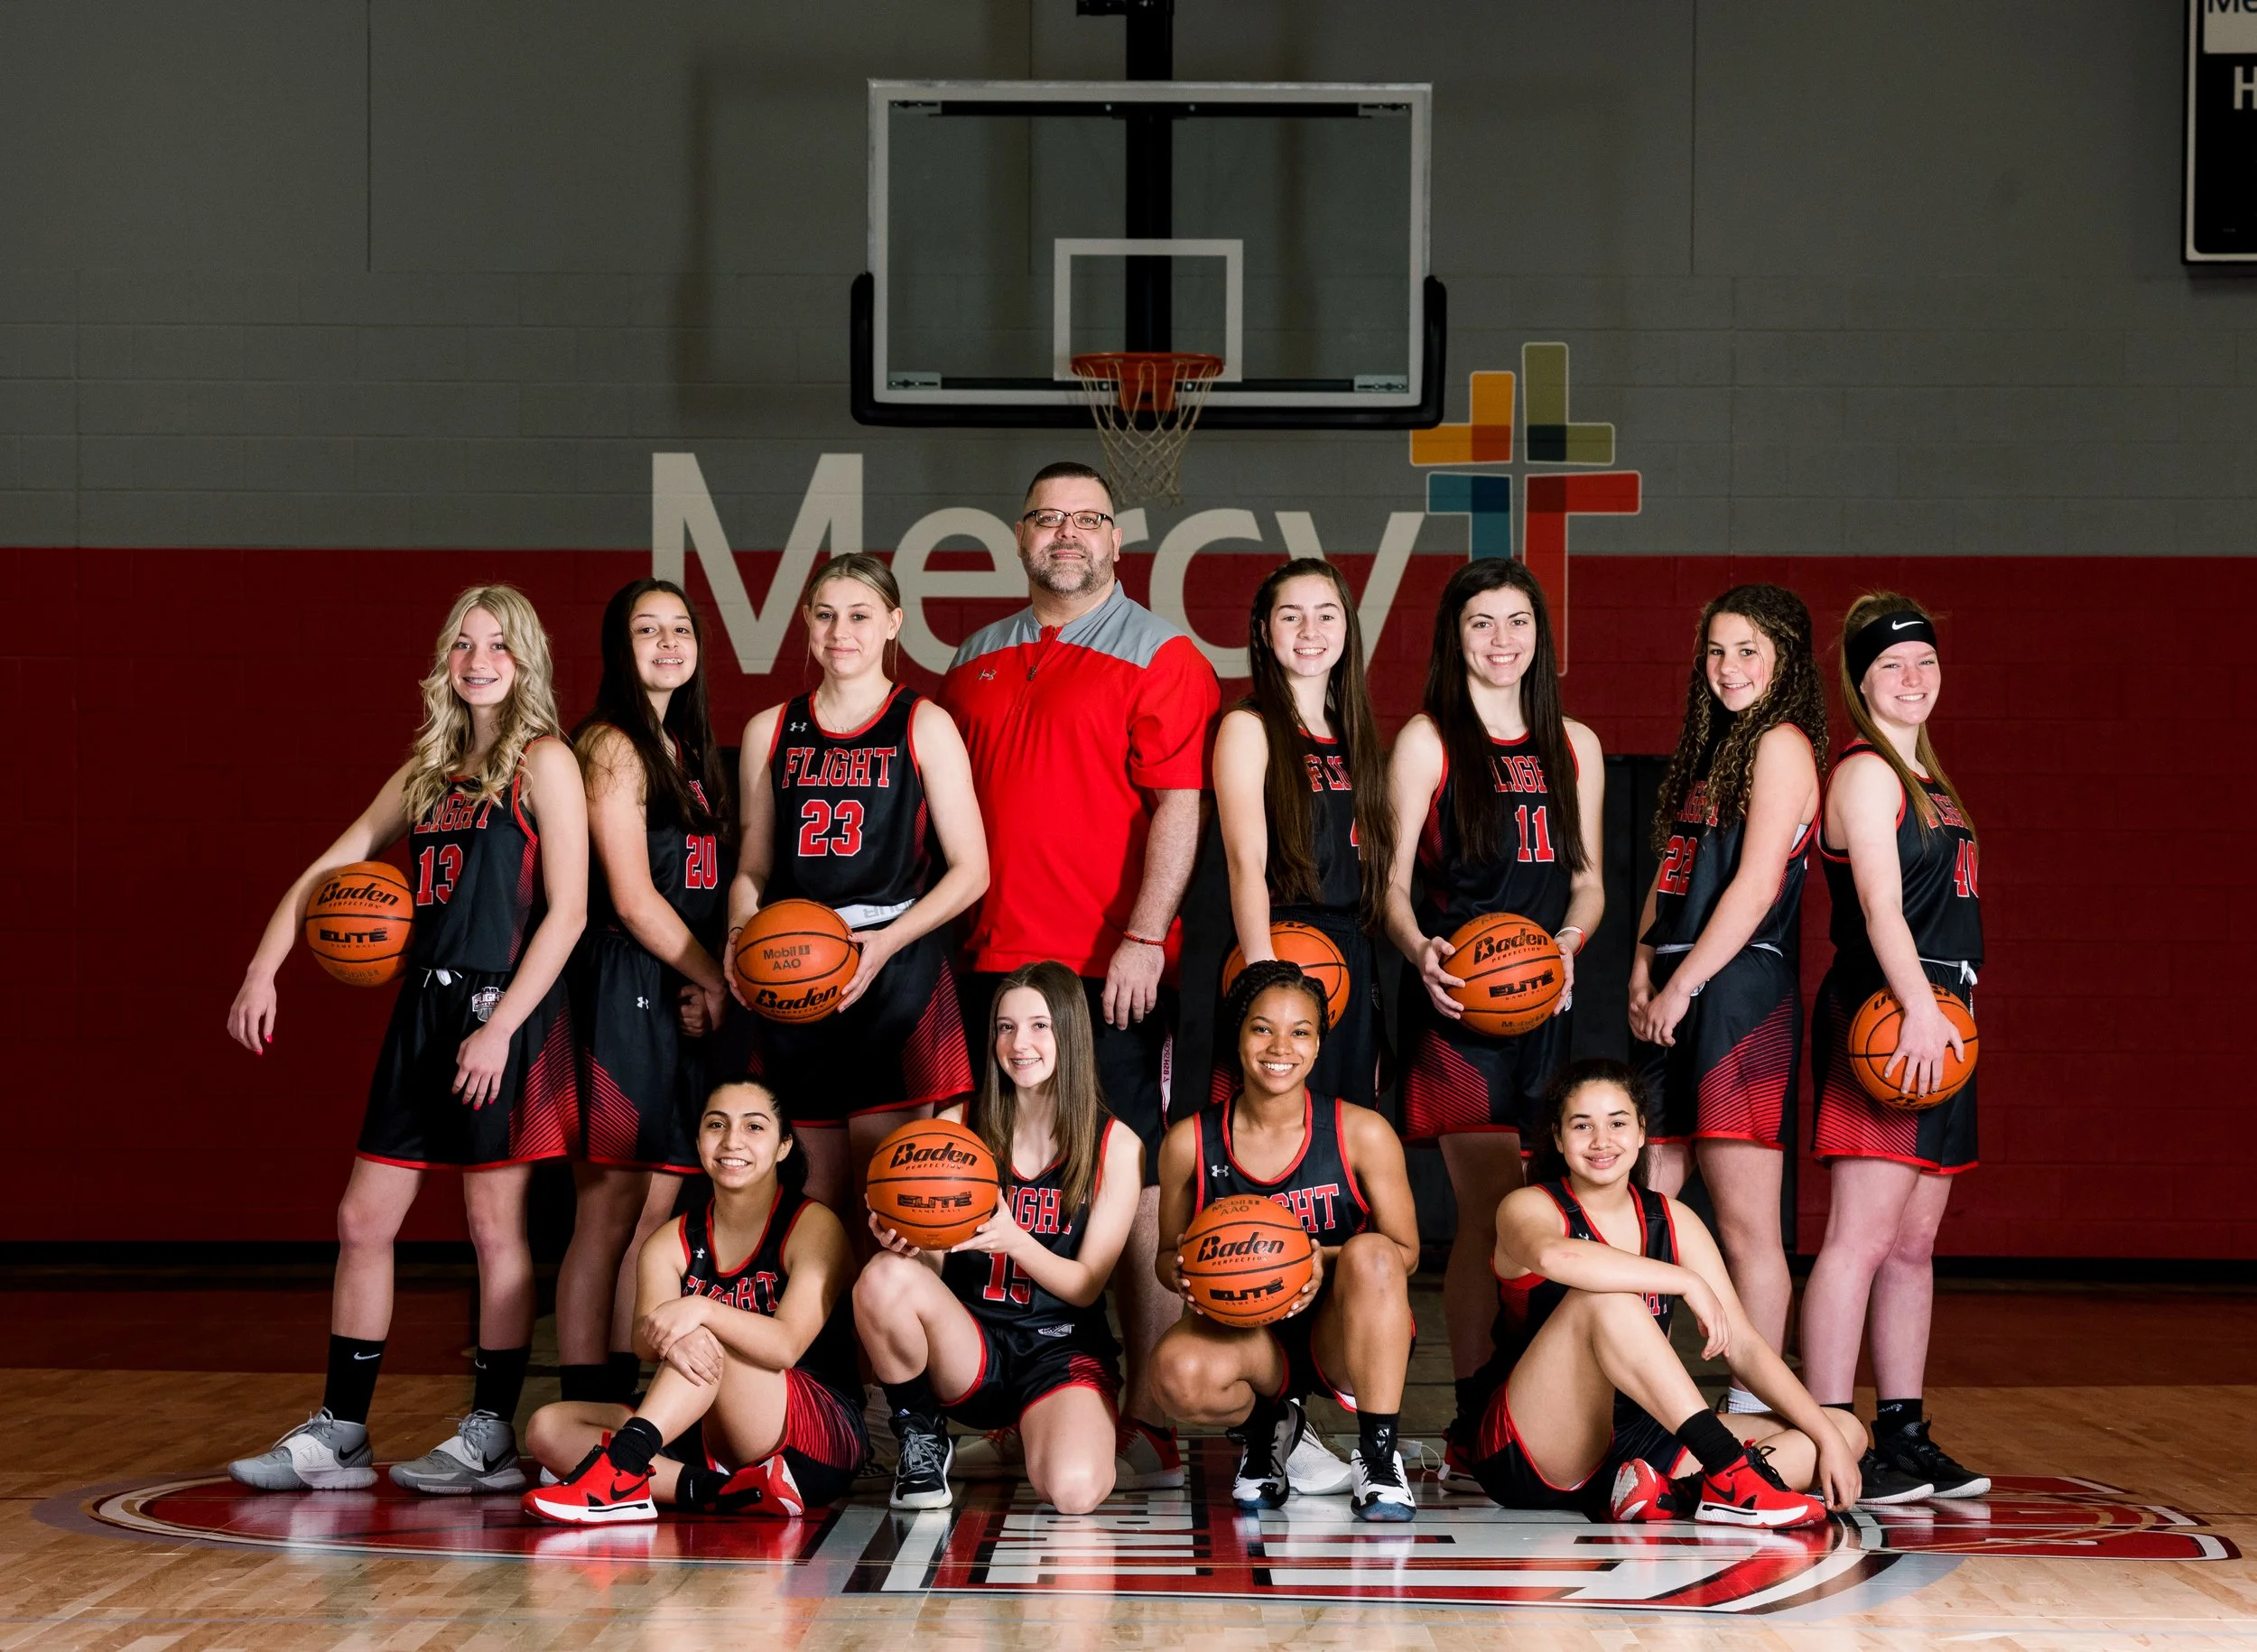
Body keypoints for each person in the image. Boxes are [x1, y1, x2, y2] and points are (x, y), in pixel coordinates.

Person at [224, 585, 585, 1494]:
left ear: (525, 658)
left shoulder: (545, 762)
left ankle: (492, 1432)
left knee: (492, 1226)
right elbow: (327, 870)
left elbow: (571, 910)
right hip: (421, 1012)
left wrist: (502, 1028)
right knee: (361, 1220)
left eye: (497, 645)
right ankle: (343, 1429)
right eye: (463, 644)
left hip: (501, 1013)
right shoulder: (424, 775)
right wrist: (267, 965)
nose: (478, 660)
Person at [941, 460, 1222, 1490]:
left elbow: (1180, 807)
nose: (1068, 534)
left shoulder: (1161, 654)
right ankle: (1008, 1392)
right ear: (1018, 536)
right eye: (1048, 518)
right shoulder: (972, 655)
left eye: (1088, 520)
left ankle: (1143, 1406)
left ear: (1117, 540)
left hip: (1105, 972)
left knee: (1129, 1182)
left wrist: (1146, 936)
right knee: (987, 1180)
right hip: (988, 964)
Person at [1382, 559, 1604, 1462]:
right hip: (1456, 1003)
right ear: (1454, 638)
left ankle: (1535, 1394)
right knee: (1488, 1212)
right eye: (1482, 623)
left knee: (1545, 1210)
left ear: (1540, 640)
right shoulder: (1426, 743)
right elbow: (1390, 889)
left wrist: (1570, 944)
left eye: (1518, 623)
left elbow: (1587, 883)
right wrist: (1419, 952)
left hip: (1543, 1001)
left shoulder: (1574, 745)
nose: (1502, 641)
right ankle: (1474, 1401)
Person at [1461, 1060, 1864, 1528]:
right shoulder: (1529, 1206)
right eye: (1582, 1125)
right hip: (1533, 1445)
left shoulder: (1672, 1219)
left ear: (1639, 1133)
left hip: (1640, 1440)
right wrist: (1685, 1281)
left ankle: (1667, 1495)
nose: (1601, 1141)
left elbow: (1745, 1345)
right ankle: (1732, 1477)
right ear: (1557, 1137)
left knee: (1841, 1431)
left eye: (1617, 1123)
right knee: (1605, 1299)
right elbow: (1554, 1258)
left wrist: (1826, 1436)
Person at [1798, 594, 1989, 1503]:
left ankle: (1903, 1429)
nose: (1912, 680)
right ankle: (1835, 1430)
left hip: (1937, 1016)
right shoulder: (1868, 774)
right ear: (1861, 682)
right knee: (1859, 1240)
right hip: (1886, 1013)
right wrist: (1918, 1007)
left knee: (1912, 1245)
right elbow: (1878, 908)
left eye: (1923, 662)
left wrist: (1939, 1013)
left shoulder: (1928, 778)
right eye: (1890, 668)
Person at [729, 552, 986, 1220]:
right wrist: (737, 936)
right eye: (825, 614)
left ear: (894, 624)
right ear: (807, 623)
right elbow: (753, 870)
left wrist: (884, 944)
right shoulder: (771, 728)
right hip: (794, 968)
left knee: (890, 1193)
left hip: (896, 966)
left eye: (860, 615)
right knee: (816, 1194)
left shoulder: (924, 723)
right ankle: (820, 1329)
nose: (841, 630)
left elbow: (972, 870)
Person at [853, 961, 1145, 1514]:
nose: (1019, 1043)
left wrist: (1015, 1239)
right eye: (1005, 1027)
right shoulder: (959, 1123)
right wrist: (911, 1245)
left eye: (1039, 1026)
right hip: (973, 1347)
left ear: (1069, 1033)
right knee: (884, 1277)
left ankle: (1030, 1432)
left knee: (1075, 1490)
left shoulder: (1115, 1145)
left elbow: (1085, 1288)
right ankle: (923, 1436)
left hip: (1060, 1348)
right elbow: (935, 1267)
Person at [1628, 584, 1824, 1405]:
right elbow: (1671, 876)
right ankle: (1635, 1390)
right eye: (1715, 650)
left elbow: (1752, 887)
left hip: (1738, 990)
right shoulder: (1715, 751)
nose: (1728, 666)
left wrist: (1682, 982)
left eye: (1748, 650)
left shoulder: (1780, 743)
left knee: (1746, 1225)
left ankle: (1753, 1405)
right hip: (1678, 979)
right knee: (1645, 1208)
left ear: (1784, 660)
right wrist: (1641, 963)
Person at [522, 1079, 867, 1523]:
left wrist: (701, 1310)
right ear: (699, 1140)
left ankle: (621, 1474)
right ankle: (724, 1492)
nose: (732, 1141)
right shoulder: (672, 1241)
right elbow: (646, 1342)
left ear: (783, 1146)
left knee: (709, 1339)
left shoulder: (814, 1226)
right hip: (709, 1428)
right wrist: (678, 1334)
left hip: (815, 1436)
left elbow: (786, 1346)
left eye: (754, 1127)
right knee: (549, 1428)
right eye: (716, 1124)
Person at [1151, 962, 1423, 1520]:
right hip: (1247, 1338)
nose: (1281, 1046)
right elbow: (1163, 1256)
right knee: (1176, 1375)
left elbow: (1407, 1252)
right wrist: (1181, 1269)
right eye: (1262, 1028)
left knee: (1372, 1250)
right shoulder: (1190, 1142)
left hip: (1343, 1334)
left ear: (1320, 1045)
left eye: (1301, 1031)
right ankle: (1267, 1429)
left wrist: (1310, 1259)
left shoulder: (1362, 1133)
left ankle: (1377, 1455)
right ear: (1239, 1035)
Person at [557, 579, 734, 1412]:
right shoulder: (611, 746)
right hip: (622, 981)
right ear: (617, 649)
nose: (667, 643)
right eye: (645, 629)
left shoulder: (688, 752)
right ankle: (587, 1395)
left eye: (680, 629)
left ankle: (622, 1399)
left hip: (673, 988)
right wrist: (714, 976)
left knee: (658, 1205)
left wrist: (702, 983)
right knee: (611, 1206)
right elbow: (631, 896)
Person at [1210, 558, 1395, 1109]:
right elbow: (1245, 863)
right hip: (1281, 943)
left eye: (1326, 615)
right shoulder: (1249, 727)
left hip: (1352, 955)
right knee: (1270, 1131)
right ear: (1265, 633)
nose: (1311, 632)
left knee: (1345, 1135)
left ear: (1347, 628)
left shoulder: (1353, 733)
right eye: (1291, 617)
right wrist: (1266, 978)